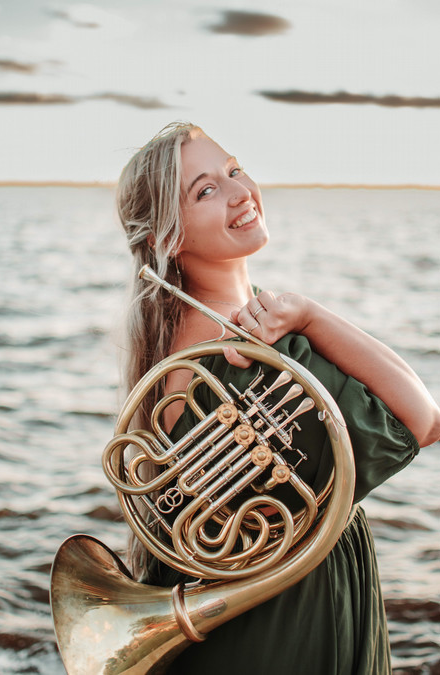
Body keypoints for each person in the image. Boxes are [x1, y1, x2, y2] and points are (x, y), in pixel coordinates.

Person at [116, 121, 440, 674]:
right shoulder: (243, 351)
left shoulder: (191, 337)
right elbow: (421, 418)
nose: (241, 192)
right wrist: (311, 315)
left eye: (234, 169)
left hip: (257, 605)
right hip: (287, 621)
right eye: (206, 190)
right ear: (168, 239)